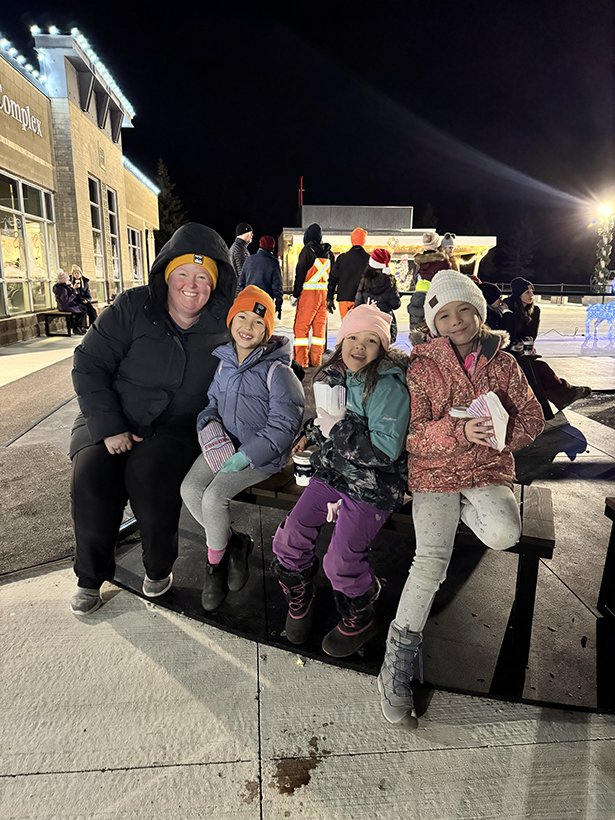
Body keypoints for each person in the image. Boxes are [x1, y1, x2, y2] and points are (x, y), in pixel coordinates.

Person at [377, 270, 545, 727]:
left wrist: (505, 434)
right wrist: (458, 430)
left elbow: (534, 416)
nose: (457, 321)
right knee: (430, 560)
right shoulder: (423, 366)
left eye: (465, 310)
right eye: (445, 314)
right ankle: (397, 657)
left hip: (485, 470)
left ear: (480, 311)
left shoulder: (504, 363)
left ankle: (467, 512)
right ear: (434, 323)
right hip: (434, 476)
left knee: (506, 532)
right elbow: (412, 436)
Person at [68, 223, 236, 616]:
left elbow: (256, 353)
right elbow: (89, 363)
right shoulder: (132, 307)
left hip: (176, 429)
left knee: (150, 475)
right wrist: (109, 426)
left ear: (214, 283)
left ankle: (158, 567)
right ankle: (90, 577)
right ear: (166, 274)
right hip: (111, 417)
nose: (191, 286)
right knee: (92, 477)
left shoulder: (224, 321)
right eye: (182, 274)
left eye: (202, 277)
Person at [271, 304, 410, 658]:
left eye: (370, 340)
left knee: (340, 562)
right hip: (333, 473)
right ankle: (300, 597)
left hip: (371, 485)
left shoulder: (387, 385)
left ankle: (361, 614)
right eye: (352, 337)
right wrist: (312, 434)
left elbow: (385, 451)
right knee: (290, 538)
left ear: (383, 348)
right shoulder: (338, 375)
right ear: (341, 339)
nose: (359, 346)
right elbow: (328, 422)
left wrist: (336, 429)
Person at [180, 285, 304, 611]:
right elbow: (211, 404)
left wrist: (246, 456)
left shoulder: (278, 371)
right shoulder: (225, 363)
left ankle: (215, 567)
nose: (248, 327)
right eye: (242, 317)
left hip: (261, 455)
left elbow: (284, 425)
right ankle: (235, 543)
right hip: (225, 445)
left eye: (258, 323)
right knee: (190, 489)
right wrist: (207, 425)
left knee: (213, 496)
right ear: (231, 320)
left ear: (267, 331)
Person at [504, 277, 591, 411]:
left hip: (523, 351)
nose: (531, 295)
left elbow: (531, 333)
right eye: (527, 292)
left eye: (532, 291)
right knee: (539, 368)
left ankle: (564, 395)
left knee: (539, 367)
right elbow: (508, 333)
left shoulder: (535, 310)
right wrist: (516, 346)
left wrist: (528, 347)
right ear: (518, 294)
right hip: (509, 352)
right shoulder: (508, 308)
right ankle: (565, 393)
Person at [292, 223, 336, 368]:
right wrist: (330, 296)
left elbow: (300, 274)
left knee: (301, 328)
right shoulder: (330, 253)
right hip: (323, 297)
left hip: (308, 295)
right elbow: (333, 278)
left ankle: (301, 362)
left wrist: (295, 294)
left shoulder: (307, 251)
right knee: (319, 330)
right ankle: (316, 361)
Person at [407, 232, 449, 344]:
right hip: (436, 296)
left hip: (418, 295)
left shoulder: (419, 263)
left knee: (417, 328)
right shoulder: (442, 262)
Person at [354, 248, 401, 342]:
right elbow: (395, 304)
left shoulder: (364, 281)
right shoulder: (390, 282)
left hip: (368, 321)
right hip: (385, 321)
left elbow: (358, 305)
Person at [327, 227, 369, 318]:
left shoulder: (342, 258)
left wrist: (330, 297)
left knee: (346, 327)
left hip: (344, 298)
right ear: (364, 241)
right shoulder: (369, 259)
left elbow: (333, 279)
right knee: (360, 328)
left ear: (351, 240)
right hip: (362, 299)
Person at [238, 235, 284, 319]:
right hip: (264, 301)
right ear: (272, 248)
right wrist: (278, 305)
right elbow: (277, 287)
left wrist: (240, 299)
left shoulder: (249, 260)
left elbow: (241, 282)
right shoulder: (273, 262)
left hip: (249, 299)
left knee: (249, 324)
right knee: (260, 324)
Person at [52, 269, 87, 334]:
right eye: (67, 279)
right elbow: (66, 300)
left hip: (65, 305)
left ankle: (79, 327)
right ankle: (77, 327)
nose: (68, 281)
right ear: (64, 280)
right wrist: (74, 292)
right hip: (65, 306)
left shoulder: (64, 287)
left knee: (83, 309)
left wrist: (73, 289)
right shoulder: (63, 289)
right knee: (82, 311)